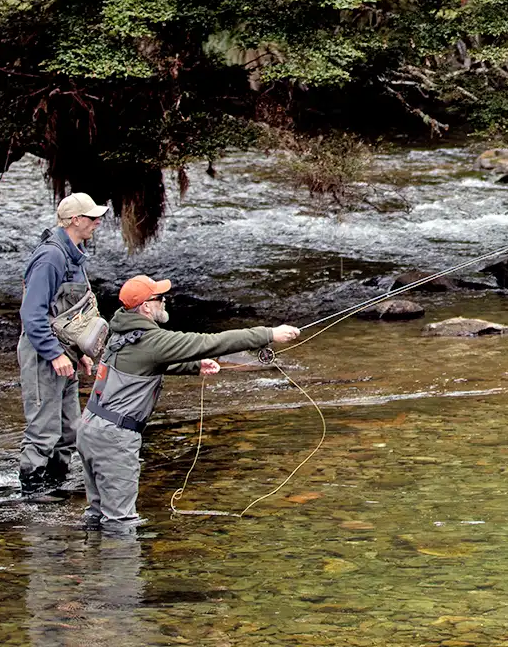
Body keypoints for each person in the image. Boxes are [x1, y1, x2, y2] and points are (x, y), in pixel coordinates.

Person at [78, 275, 300, 535]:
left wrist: (193, 366)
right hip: (114, 438)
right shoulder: (153, 341)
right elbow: (210, 343)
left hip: (89, 428)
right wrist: (269, 334)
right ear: (146, 307)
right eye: (159, 298)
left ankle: (91, 568)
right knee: (120, 525)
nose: (165, 301)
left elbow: (139, 364)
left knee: (96, 516)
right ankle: (121, 573)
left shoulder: (121, 332)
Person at [17, 192, 109, 502]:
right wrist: (54, 354)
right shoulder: (51, 257)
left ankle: (54, 484)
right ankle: (32, 491)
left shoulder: (74, 255)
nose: (97, 222)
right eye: (92, 217)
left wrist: (79, 352)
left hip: (64, 354)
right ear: (74, 221)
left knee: (70, 430)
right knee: (43, 428)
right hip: (44, 353)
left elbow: (70, 314)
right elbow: (32, 314)